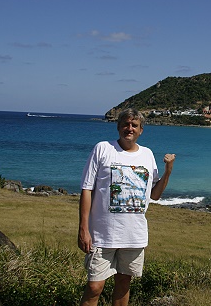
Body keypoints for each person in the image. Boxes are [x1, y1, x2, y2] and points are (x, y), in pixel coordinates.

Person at [78, 108, 175, 306]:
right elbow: (86, 189)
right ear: (118, 126)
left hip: (133, 236)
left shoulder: (147, 154)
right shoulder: (103, 149)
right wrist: (83, 229)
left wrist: (168, 171)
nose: (129, 128)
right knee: (94, 287)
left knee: (123, 285)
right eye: (125, 124)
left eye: (134, 125)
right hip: (102, 236)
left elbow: (154, 195)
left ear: (141, 130)